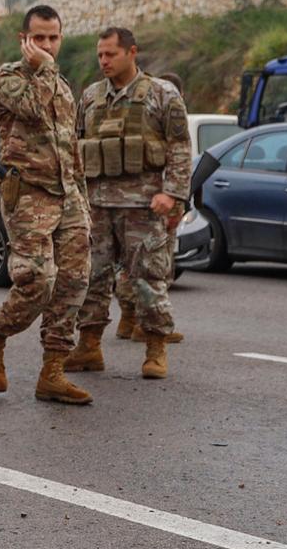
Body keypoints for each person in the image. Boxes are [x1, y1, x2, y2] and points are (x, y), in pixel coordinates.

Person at [0, 5, 92, 404]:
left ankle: (52, 372)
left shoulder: (61, 84)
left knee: (74, 282)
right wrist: (46, 69)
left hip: (67, 193)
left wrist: (83, 202)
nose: (47, 46)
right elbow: (34, 108)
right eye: (38, 38)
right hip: (28, 194)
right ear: (23, 39)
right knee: (38, 281)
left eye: (53, 37)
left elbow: (70, 147)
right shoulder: (5, 79)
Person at [63, 27, 191, 380]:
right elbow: (76, 149)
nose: (103, 61)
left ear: (131, 52)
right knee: (92, 277)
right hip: (97, 206)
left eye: (110, 54)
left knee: (149, 278)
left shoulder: (162, 94)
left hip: (144, 205)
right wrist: (76, 197)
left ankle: (155, 349)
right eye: (100, 55)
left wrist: (172, 193)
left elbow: (180, 148)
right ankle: (89, 346)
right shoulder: (90, 97)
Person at [114, 68, 186, 345]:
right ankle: (145, 323)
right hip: (157, 203)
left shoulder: (143, 115)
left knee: (131, 263)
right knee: (155, 266)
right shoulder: (165, 124)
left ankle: (129, 319)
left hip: (139, 201)